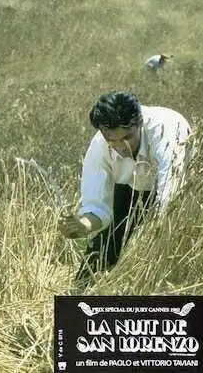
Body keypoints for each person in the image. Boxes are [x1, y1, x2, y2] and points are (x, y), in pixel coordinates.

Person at [60, 91, 192, 290]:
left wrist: (148, 241)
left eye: (127, 137)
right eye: (113, 140)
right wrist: (83, 225)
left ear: (139, 123)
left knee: (169, 254)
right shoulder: (99, 146)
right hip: (132, 187)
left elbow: (170, 195)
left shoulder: (165, 129)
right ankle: (78, 297)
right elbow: (98, 207)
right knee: (105, 246)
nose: (121, 146)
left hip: (182, 187)